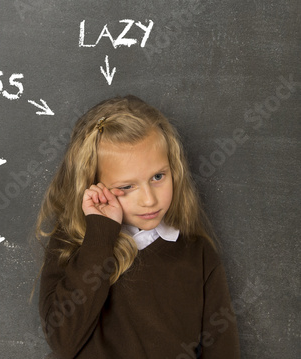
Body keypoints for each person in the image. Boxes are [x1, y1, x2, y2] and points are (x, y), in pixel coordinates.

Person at [35, 95, 241, 358]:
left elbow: (222, 349)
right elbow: (63, 340)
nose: (149, 199)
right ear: (93, 185)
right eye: (126, 187)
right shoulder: (72, 244)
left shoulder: (197, 256)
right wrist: (100, 236)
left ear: (173, 169)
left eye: (158, 177)